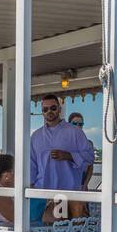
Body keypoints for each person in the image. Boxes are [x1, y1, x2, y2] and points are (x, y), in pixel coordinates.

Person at [29, 94, 95, 223]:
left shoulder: (75, 132)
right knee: (37, 231)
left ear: (59, 109)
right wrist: (30, 188)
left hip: (67, 193)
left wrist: (69, 156)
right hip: (41, 192)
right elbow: (31, 164)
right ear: (42, 112)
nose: (49, 112)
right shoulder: (35, 136)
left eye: (53, 108)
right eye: (45, 109)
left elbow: (90, 157)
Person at [68, 111, 96, 188]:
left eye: (80, 124)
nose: (77, 126)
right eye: (74, 123)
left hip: (81, 181)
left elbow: (90, 167)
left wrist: (85, 185)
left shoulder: (89, 144)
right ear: (69, 124)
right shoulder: (64, 143)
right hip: (66, 182)